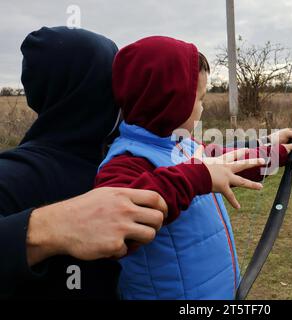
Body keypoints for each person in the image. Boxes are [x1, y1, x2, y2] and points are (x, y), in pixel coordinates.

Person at [0, 27, 264, 299]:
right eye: (112, 81)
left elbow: (209, 156)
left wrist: (271, 150)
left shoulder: (127, 144)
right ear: (86, 90)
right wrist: (44, 227)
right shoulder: (18, 173)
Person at [95, 36, 292, 299]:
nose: (202, 108)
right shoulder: (127, 160)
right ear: (169, 102)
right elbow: (115, 223)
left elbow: (225, 162)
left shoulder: (180, 143)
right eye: (199, 99)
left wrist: (274, 149)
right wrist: (199, 175)